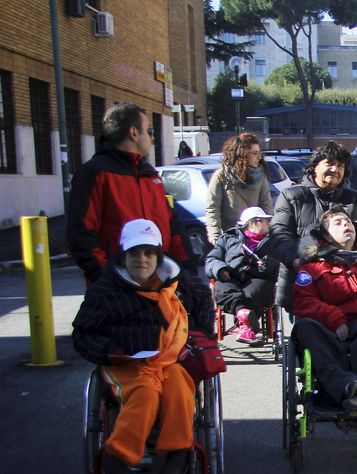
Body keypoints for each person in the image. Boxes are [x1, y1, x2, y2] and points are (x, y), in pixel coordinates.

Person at [72, 219, 214, 474]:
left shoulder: (180, 283)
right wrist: (112, 352)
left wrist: (196, 338)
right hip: (125, 363)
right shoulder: (105, 290)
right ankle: (118, 462)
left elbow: (204, 307)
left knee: (179, 387)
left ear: (158, 256)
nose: (142, 259)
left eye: (149, 253)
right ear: (123, 256)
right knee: (146, 393)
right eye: (135, 253)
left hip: (170, 360)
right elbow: (83, 335)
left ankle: (178, 454)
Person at [67, 102, 195, 283]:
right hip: (117, 287)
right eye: (149, 131)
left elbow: (172, 225)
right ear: (134, 133)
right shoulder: (94, 173)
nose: (152, 138)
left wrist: (186, 270)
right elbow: (81, 233)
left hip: (160, 284)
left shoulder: (150, 174)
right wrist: (105, 277)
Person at [292, 205, 357, 410]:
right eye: (338, 223)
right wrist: (334, 319)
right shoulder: (313, 265)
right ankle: (345, 385)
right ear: (326, 234)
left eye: (348, 221)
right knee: (303, 327)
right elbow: (304, 301)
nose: (346, 224)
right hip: (327, 327)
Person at [268, 141, 357, 310]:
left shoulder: (356, 200)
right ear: (315, 167)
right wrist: (296, 260)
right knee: (309, 333)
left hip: (348, 284)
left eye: (340, 166)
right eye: (329, 163)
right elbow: (279, 233)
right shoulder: (292, 196)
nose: (335, 169)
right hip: (302, 282)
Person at [205, 206, 280, 344]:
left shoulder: (274, 240)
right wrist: (220, 269)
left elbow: (281, 264)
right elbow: (212, 259)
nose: (269, 223)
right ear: (252, 223)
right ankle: (244, 318)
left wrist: (267, 264)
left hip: (258, 277)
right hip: (231, 274)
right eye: (265, 220)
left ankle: (245, 325)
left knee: (252, 294)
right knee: (224, 288)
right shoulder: (229, 237)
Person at [206, 132, 274, 245]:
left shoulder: (261, 177)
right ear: (243, 154)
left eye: (260, 153)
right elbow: (213, 209)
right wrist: (215, 236)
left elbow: (266, 206)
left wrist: (267, 232)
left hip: (255, 238)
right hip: (230, 238)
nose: (259, 157)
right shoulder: (221, 176)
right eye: (255, 153)